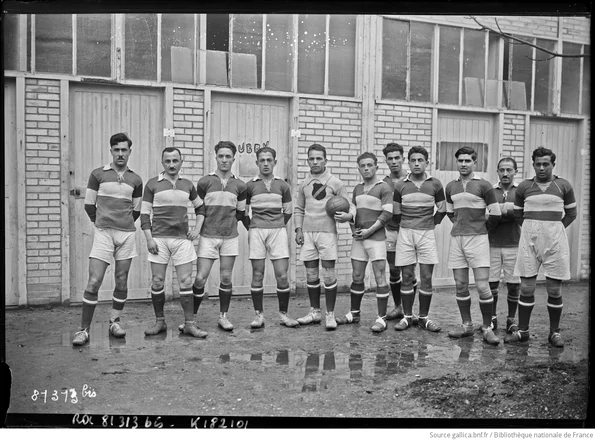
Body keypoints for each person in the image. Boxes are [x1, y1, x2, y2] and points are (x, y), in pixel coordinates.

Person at [72, 133, 143, 346]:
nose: (120, 154)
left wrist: (123, 223)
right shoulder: (98, 174)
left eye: (124, 150)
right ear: (111, 151)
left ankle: (114, 321)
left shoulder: (136, 179)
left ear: (130, 151)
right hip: (104, 232)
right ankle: (83, 329)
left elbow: (136, 210)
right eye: (116, 150)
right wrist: (99, 222)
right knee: (94, 281)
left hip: (126, 234)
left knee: (121, 279)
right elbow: (88, 205)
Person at [505, 147, 577, 348]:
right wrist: (533, 229)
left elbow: (571, 214)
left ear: (553, 164)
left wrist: (553, 229)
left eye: (546, 164)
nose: (542, 168)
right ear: (533, 164)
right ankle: (523, 331)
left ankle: (554, 332)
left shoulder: (563, 185)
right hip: (529, 240)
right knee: (526, 287)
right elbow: (518, 215)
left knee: (554, 289)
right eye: (538, 164)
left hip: (555, 240)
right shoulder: (524, 187)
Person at [141, 147, 206, 338]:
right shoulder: (153, 184)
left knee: (186, 282)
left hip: (181, 240)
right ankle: (160, 322)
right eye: (167, 161)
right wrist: (149, 239)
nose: (171, 164)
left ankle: (189, 324)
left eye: (175, 161)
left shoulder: (187, 184)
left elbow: (201, 208)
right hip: (159, 239)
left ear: (181, 162)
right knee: (157, 281)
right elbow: (144, 214)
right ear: (162, 163)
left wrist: (197, 229)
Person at [187, 141, 247, 332]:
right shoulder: (205, 182)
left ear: (233, 159)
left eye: (228, 156)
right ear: (215, 157)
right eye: (220, 156)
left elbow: (240, 212)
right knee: (200, 279)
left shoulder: (240, 185)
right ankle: (191, 319)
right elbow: (201, 209)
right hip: (208, 236)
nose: (224, 160)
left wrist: (227, 225)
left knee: (226, 277)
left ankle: (223, 317)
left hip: (229, 237)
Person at [445, 146, 501, 345]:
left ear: (474, 163)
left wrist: (480, 228)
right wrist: (462, 226)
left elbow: (495, 214)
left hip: (478, 239)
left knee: (482, 286)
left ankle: (487, 328)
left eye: (467, 161)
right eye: (460, 160)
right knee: (460, 285)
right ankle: (467, 326)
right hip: (457, 238)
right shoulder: (450, 186)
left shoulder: (484, 185)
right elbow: (451, 213)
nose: (463, 164)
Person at [294, 143, 352, 330]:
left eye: (319, 158)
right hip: (308, 233)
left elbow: (347, 207)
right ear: (308, 161)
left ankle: (330, 314)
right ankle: (315, 312)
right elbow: (299, 209)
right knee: (311, 274)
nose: (315, 161)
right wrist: (298, 229)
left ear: (326, 160)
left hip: (327, 233)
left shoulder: (336, 183)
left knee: (328, 275)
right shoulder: (304, 183)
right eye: (312, 158)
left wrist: (345, 217)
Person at [335, 152, 393, 333]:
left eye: (370, 165)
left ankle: (382, 319)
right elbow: (353, 212)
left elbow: (387, 214)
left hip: (376, 238)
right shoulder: (358, 189)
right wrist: (352, 227)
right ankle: (354, 313)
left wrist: (369, 231)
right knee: (357, 276)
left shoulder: (384, 187)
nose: (366, 168)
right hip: (360, 239)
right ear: (358, 168)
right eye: (363, 166)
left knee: (380, 277)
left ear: (376, 166)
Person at [392, 146, 446, 332]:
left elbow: (442, 209)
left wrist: (431, 223)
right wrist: (407, 224)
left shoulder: (435, 184)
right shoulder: (400, 185)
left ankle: (423, 317)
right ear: (408, 162)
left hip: (426, 233)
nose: (416, 164)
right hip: (406, 233)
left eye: (420, 160)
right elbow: (396, 213)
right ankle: (407, 317)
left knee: (426, 277)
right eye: (413, 160)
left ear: (426, 162)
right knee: (406, 276)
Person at [244, 146, 299, 328]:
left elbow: (289, 211)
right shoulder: (249, 186)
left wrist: (277, 224)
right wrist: (252, 227)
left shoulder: (283, 185)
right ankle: (259, 316)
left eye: (269, 160)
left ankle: (283, 315)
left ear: (275, 162)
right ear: (257, 163)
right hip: (257, 231)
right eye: (262, 160)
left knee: (282, 276)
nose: (266, 163)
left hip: (278, 231)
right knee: (257, 274)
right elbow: (242, 212)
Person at [488, 157, 521, 333]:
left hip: (514, 243)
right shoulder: (491, 191)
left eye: (509, 170)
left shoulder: (521, 191)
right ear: (498, 172)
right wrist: (507, 213)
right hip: (492, 243)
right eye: (502, 170)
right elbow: (487, 216)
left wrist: (501, 213)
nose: (505, 173)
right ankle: (492, 319)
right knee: (491, 284)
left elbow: (520, 215)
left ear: (515, 171)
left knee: (513, 284)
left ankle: (511, 320)